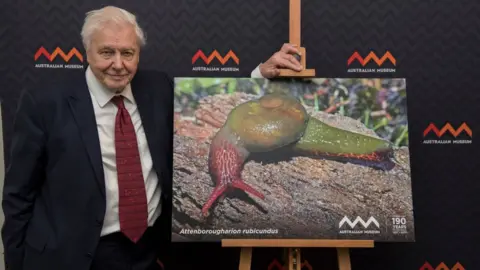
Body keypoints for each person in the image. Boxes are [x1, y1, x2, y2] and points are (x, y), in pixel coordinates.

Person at [2, 6, 172, 270]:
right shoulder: (45, 103)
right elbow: (19, 195)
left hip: (146, 252)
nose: (118, 64)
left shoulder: (160, 89)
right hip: (73, 255)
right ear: (87, 51)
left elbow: (219, 108)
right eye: (107, 52)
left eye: (128, 53)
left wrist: (257, 77)